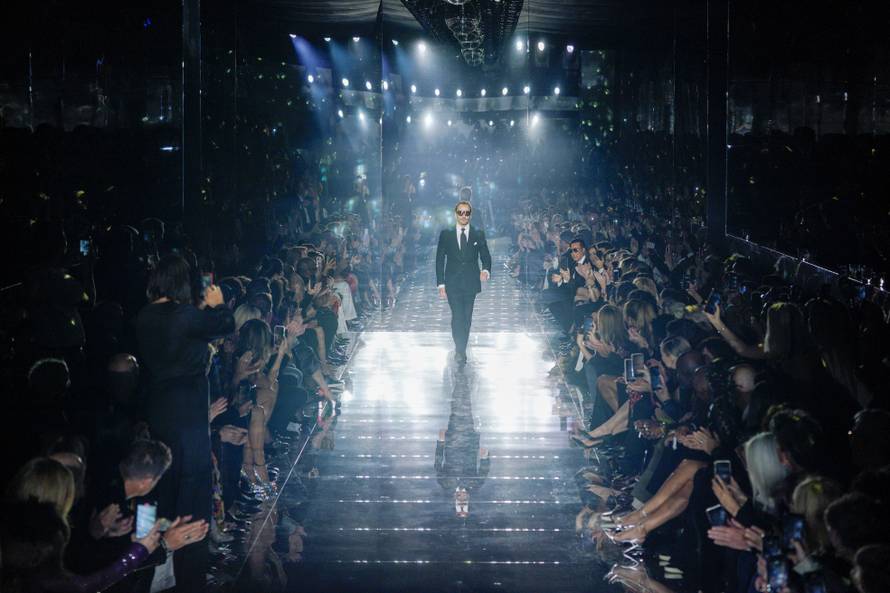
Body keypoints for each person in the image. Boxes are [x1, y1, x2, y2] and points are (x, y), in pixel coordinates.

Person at [133, 254, 234, 592]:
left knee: (159, 485)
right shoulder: (184, 316)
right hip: (188, 412)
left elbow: (187, 331)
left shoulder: (144, 316)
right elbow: (224, 325)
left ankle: (152, 559)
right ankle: (188, 569)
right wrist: (217, 304)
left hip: (160, 407)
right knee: (190, 487)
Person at [435, 194, 492, 364]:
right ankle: (460, 350)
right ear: (455, 214)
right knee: (458, 316)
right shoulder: (446, 234)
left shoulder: (478, 234)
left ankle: (461, 348)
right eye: (460, 212)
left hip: (471, 282)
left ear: (470, 215)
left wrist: (486, 270)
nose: (463, 215)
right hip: (452, 282)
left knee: (467, 317)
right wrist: (441, 284)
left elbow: (485, 255)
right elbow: (439, 259)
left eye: (467, 213)